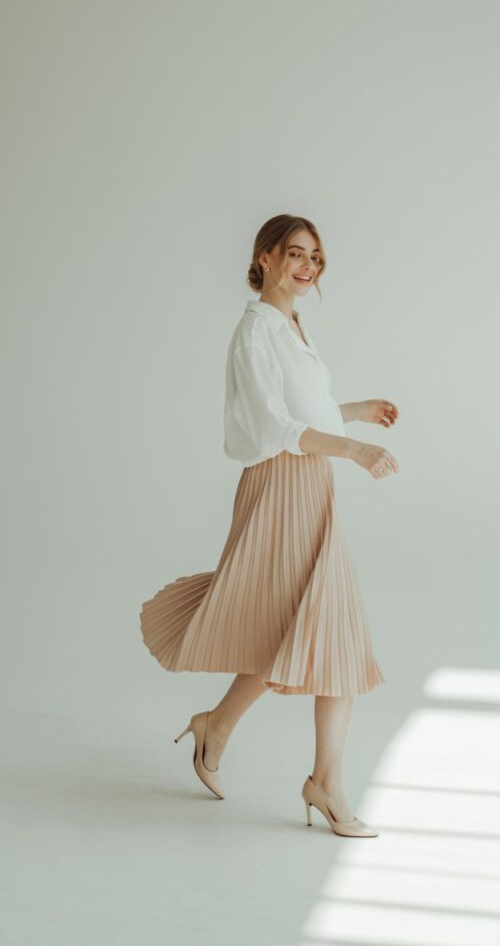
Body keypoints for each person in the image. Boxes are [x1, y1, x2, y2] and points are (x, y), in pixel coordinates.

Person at [139, 213, 399, 837]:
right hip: (282, 486)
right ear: (264, 256)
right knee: (315, 627)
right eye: (295, 253)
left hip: (309, 482)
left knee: (297, 625)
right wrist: (355, 452)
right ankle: (327, 785)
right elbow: (274, 429)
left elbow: (300, 411)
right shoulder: (256, 330)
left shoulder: (289, 327)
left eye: (316, 257)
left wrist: (354, 413)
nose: (307, 266)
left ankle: (220, 730)